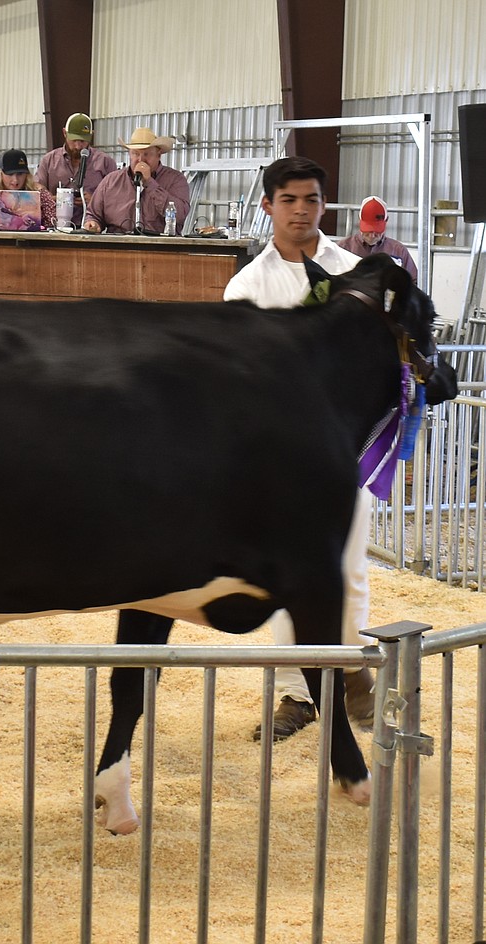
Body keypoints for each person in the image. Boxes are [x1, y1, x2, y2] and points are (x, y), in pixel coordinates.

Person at [222, 155, 374, 741]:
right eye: (289, 200)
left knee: (351, 572)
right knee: (287, 578)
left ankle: (347, 678)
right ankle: (296, 694)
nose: (302, 210)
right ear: (268, 206)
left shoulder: (357, 274)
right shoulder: (247, 287)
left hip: (343, 453)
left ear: (323, 205)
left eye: (311, 199)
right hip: (279, 464)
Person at [84, 127, 191, 235]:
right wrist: (93, 223)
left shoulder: (175, 180)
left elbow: (181, 214)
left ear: (158, 155)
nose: (141, 160)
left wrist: (150, 183)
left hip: (159, 247)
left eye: (146, 154)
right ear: (129, 154)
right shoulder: (111, 181)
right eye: (136, 154)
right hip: (119, 246)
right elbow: (93, 214)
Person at [33, 112, 115, 221]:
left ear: (92, 135)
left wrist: (95, 201)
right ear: (64, 133)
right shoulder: (48, 161)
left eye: (82, 141)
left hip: (92, 227)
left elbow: (116, 198)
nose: (78, 146)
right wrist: (53, 199)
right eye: (74, 140)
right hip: (55, 225)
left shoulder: (105, 162)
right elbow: (35, 188)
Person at [337, 195, 418, 281]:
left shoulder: (398, 251)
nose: (372, 236)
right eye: (367, 230)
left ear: (386, 220)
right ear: (359, 220)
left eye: (376, 231)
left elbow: (414, 282)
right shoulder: (343, 248)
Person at [0, 148, 56, 229]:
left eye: (20, 174)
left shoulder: (39, 192)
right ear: (0, 173)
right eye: (10, 174)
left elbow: (53, 221)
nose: (15, 180)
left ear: (26, 175)